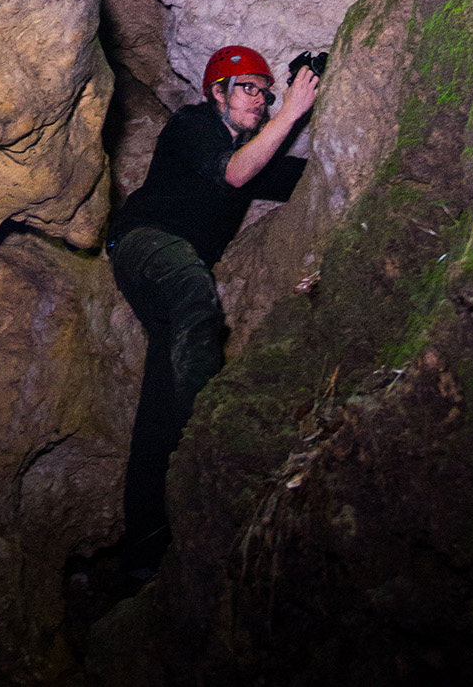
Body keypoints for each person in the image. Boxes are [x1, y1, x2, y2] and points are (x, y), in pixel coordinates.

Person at [106, 43, 321, 579]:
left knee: (160, 412)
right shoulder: (191, 126)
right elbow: (233, 173)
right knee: (196, 297)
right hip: (144, 245)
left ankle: (146, 548)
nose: (261, 99)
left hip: (172, 279)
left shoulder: (250, 152)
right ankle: (211, 427)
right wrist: (293, 109)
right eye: (249, 87)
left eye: (267, 93)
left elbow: (299, 174)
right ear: (216, 93)